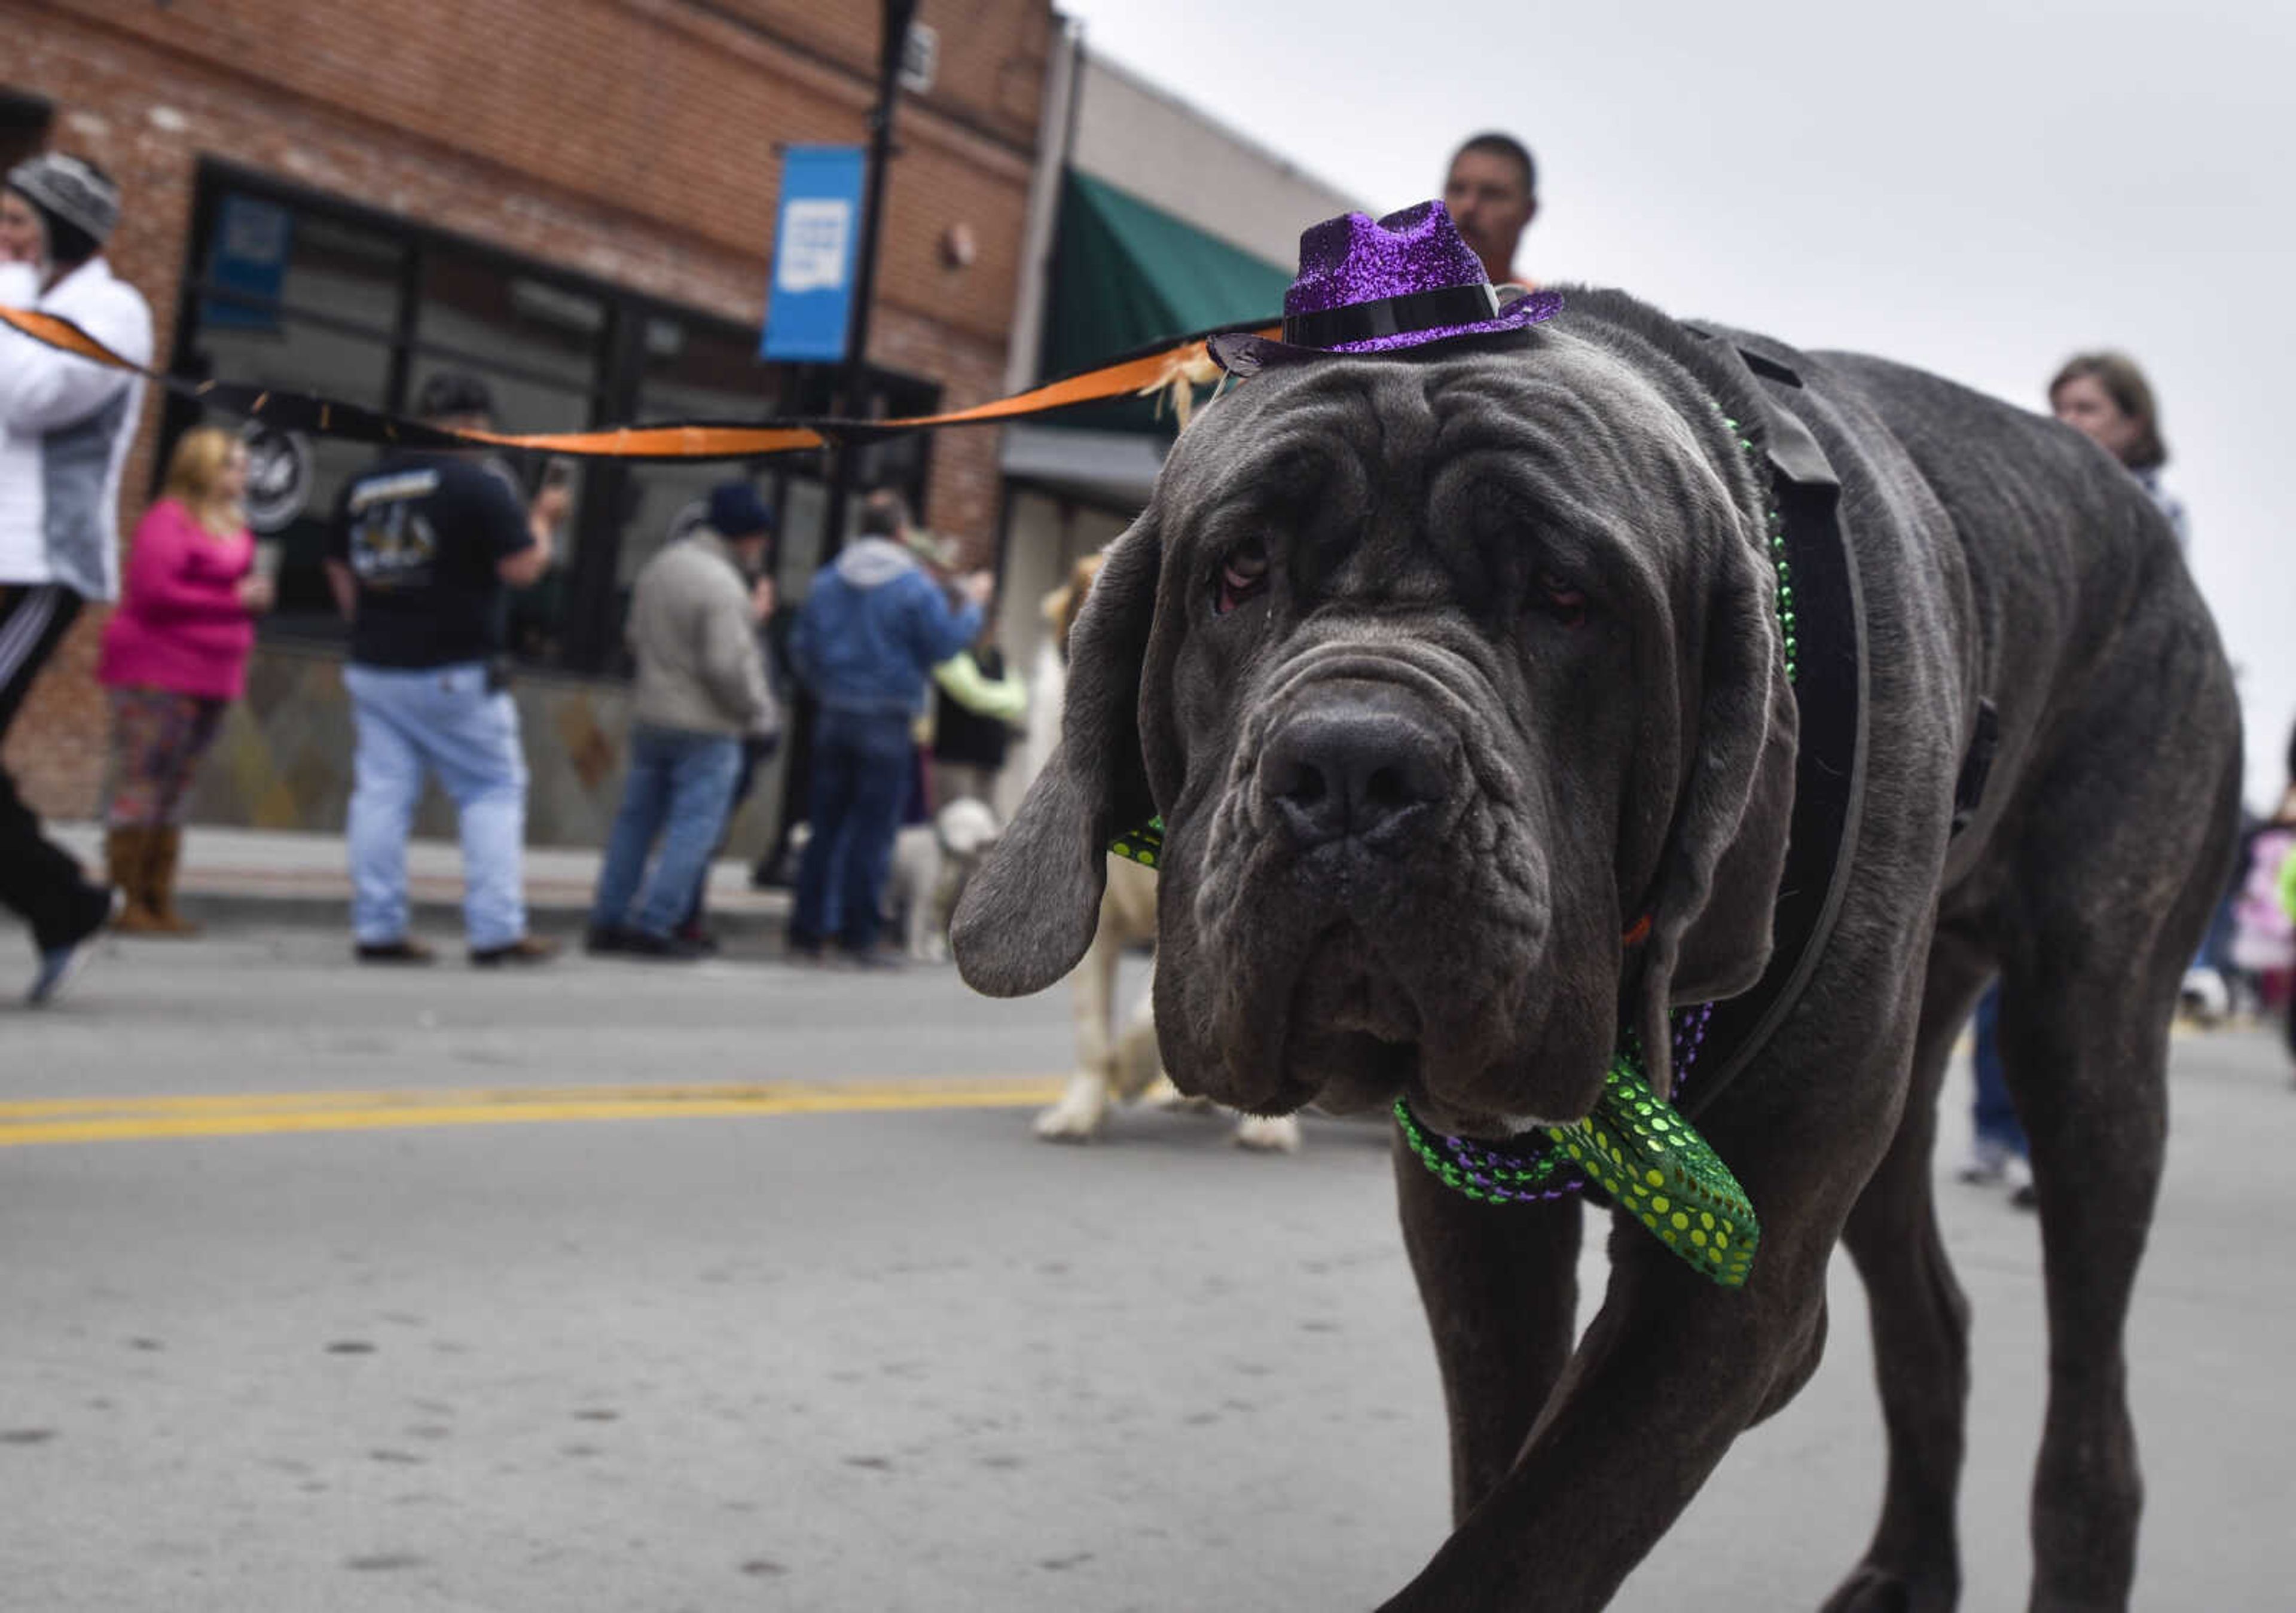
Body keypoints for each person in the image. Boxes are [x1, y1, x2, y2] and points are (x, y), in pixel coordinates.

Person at [323, 371, 557, 966]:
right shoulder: (476, 485)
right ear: (469, 425)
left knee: (381, 794)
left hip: (376, 663)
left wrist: (372, 621)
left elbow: (340, 568)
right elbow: (523, 568)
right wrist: (546, 519)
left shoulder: (363, 485)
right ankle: (496, 929)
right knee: (491, 790)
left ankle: (377, 926)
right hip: (454, 666)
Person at [0, 152, 152, 1005]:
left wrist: (12, 295)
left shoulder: (110, 309)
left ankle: (67, 903)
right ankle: (67, 904)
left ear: (64, 229)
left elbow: (32, 396)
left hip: (39, 562)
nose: (4, 236)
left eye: (19, 221)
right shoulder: (36, 299)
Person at [786, 489, 990, 963]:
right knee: (874, 831)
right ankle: (860, 934)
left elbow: (801, 648)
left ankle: (808, 929)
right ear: (901, 532)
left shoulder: (827, 580)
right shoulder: (912, 586)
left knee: (826, 826)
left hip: (834, 714)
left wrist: (828, 689)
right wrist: (974, 606)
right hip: (888, 718)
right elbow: (943, 645)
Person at [587, 482, 780, 961]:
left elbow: (633, 635)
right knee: (693, 830)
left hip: (652, 715)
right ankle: (658, 923)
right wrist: (757, 713)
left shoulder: (660, 566)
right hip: (707, 726)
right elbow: (726, 667)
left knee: (635, 821)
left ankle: (608, 918)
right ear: (747, 536)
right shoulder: (723, 585)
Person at [94, 426, 274, 934]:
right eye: (233, 464)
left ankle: (157, 896)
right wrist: (233, 602)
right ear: (204, 468)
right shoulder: (168, 520)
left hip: (214, 673)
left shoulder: (235, 524)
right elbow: (152, 592)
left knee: (178, 783)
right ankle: (124, 896)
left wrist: (254, 599)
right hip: (156, 670)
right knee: (144, 778)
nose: (244, 474)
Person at [2048, 352, 2188, 545]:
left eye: (2085, 409)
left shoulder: (2161, 512)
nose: (2066, 422)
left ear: (2134, 423)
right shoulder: (2043, 499)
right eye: (2059, 410)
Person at [1440, 132, 1538, 288]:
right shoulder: (1392, 293)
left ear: (1528, 212)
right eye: (1457, 190)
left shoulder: (1542, 310)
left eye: (1492, 195)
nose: (1468, 207)